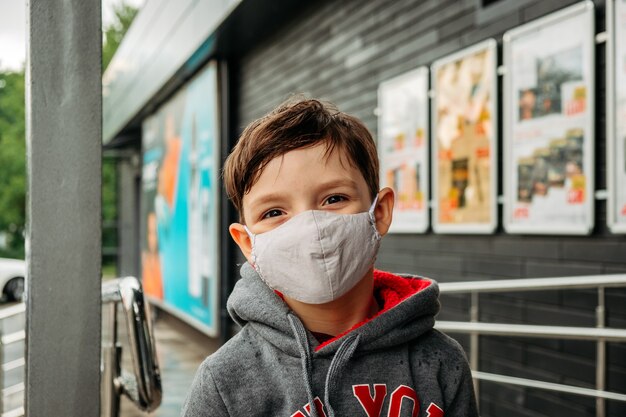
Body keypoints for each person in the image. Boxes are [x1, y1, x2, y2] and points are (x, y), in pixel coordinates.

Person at [181, 99, 478, 417]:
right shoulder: (225, 381)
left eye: (334, 198)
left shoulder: (441, 364)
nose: (310, 227)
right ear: (248, 243)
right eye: (274, 212)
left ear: (378, 213)